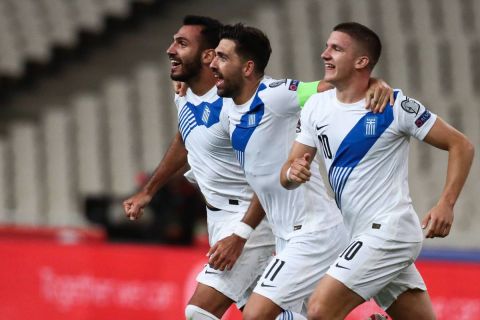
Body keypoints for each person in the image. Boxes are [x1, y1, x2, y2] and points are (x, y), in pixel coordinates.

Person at [280, 22, 474, 320]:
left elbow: (461, 145)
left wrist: (446, 203)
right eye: (326, 46)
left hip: (389, 231)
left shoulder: (393, 105)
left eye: (336, 48)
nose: (324, 54)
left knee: (318, 310)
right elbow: (287, 173)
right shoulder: (315, 107)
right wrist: (293, 173)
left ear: (361, 61)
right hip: (358, 233)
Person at [207, 23, 393, 320]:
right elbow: (263, 182)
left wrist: (375, 83)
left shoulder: (275, 95)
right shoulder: (229, 107)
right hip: (288, 234)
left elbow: (334, 85)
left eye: (222, 57)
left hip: (313, 231)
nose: (213, 64)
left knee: (256, 315)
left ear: (248, 67)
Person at [123, 16, 276, 320]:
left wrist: (241, 234)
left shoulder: (239, 103)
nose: (170, 50)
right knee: (266, 315)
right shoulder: (185, 93)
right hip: (219, 219)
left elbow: (268, 173)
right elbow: (185, 137)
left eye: (181, 43)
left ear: (208, 55)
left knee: (199, 311)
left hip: (249, 219)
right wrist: (148, 191)